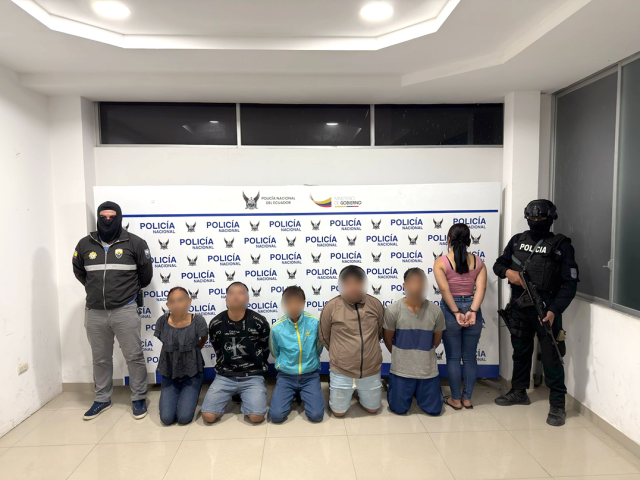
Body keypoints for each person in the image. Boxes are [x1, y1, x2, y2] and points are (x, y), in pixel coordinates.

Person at [493, 199, 579, 426]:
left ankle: (558, 405)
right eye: (533, 219)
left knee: (552, 357)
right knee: (520, 352)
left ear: (551, 219)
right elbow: (498, 265)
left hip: (546, 310)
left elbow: (570, 285)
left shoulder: (562, 245)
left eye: (541, 219)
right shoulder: (517, 241)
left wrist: (554, 310)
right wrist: (509, 273)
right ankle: (519, 392)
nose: (536, 222)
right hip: (520, 308)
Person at [73, 201, 153, 420]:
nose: (107, 220)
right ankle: (102, 399)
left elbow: (145, 276)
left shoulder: (135, 243)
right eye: (103, 217)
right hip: (95, 311)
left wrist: (123, 293)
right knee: (100, 359)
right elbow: (80, 272)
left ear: (119, 218)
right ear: (98, 218)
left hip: (125, 309)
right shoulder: (84, 244)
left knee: (134, 357)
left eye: (112, 216)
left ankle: (138, 398)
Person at [434, 223, 487, 410]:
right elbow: (481, 289)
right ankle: (467, 399)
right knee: (470, 358)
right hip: (473, 308)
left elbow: (444, 290)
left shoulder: (441, 262)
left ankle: (455, 399)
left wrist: (456, 312)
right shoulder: (478, 262)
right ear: (468, 240)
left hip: (450, 311)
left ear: (449, 239)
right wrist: (472, 310)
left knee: (453, 358)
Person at [319, 265, 385, 417]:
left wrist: (367, 351)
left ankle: (358, 391)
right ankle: (339, 386)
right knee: (338, 413)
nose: (353, 287)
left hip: (370, 369)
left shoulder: (375, 304)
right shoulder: (331, 307)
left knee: (373, 410)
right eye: (348, 283)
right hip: (341, 370)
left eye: (357, 283)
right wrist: (340, 353)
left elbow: (380, 332)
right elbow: (324, 336)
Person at [201, 282, 270, 424]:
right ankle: (236, 394)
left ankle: (246, 398)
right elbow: (218, 349)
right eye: (231, 293)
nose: (236, 297)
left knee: (256, 417)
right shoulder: (216, 323)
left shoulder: (259, 321)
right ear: (226, 299)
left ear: (247, 298)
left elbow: (265, 348)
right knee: (208, 416)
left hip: (252, 375)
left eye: (240, 293)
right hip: (225, 376)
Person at [383, 268, 445, 416]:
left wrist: (421, 354)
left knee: (435, 411)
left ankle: (418, 391)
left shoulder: (436, 311)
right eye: (413, 282)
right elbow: (388, 339)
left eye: (420, 283)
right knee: (398, 409)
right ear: (404, 286)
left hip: (427, 371)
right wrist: (402, 356)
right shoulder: (393, 310)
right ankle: (400, 388)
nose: (417, 287)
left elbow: (436, 341)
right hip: (401, 370)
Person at [269, 286, 324, 423]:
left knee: (316, 415)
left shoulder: (315, 323)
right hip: (286, 376)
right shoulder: (276, 328)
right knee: (276, 417)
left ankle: (302, 393)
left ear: (303, 303)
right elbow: (275, 352)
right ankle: (293, 393)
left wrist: (310, 361)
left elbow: (318, 347)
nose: (292, 306)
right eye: (288, 303)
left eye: (296, 302)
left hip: (310, 375)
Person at [154, 287, 208, 425]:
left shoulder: (198, 321)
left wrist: (193, 351)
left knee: (184, 418)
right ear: (167, 305)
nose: (176, 305)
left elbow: (203, 338)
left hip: (192, 374)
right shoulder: (162, 321)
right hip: (170, 374)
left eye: (180, 300)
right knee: (166, 419)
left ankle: (192, 391)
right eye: (172, 301)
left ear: (189, 301)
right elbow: (164, 341)